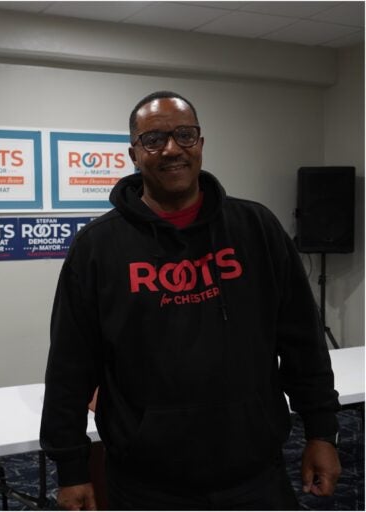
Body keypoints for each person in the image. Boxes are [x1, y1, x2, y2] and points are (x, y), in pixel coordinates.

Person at [40, 91, 341, 510]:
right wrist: (71, 469)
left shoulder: (257, 229)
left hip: (255, 472)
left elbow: (302, 342)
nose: (171, 149)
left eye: (185, 135)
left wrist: (321, 432)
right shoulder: (97, 248)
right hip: (145, 482)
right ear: (133, 153)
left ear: (200, 143)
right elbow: (70, 367)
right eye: (154, 139)